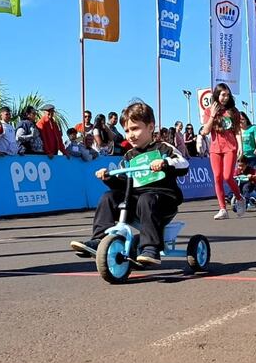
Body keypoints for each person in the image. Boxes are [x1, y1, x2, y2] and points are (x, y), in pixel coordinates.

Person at [70, 101, 189, 265]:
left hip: (163, 201)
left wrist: (165, 163)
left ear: (150, 127)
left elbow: (183, 164)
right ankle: (99, 240)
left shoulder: (163, 148)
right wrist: (109, 178)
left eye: (135, 129)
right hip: (137, 201)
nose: (130, 135)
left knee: (146, 199)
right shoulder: (129, 157)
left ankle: (151, 248)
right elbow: (123, 184)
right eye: (127, 130)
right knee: (108, 197)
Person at [202, 83, 245, 220]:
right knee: (217, 177)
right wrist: (213, 115)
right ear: (217, 95)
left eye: (227, 95)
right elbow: (205, 131)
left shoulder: (233, 111)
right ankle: (222, 209)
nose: (225, 98)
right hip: (215, 149)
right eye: (222, 95)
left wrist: (241, 147)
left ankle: (240, 198)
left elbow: (237, 131)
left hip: (230, 147)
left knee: (227, 176)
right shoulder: (209, 111)